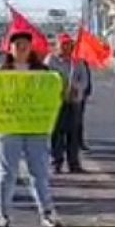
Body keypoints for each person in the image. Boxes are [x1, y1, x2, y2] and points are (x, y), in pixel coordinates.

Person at [0, 30, 60, 227]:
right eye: (17, 45)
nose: (22, 48)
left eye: (25, 44)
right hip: (8, 128)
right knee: (6, 173)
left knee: (39, 172)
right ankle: (3, 217)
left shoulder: (43, 73)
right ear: (10, 49)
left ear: (31, 48)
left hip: (36, 127)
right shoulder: (0, 73)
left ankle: (47, 213)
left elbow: (56, 92)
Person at [45, 34, 89, 173]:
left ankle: (74, 163)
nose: (66, 47)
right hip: (56, 102)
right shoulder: (50, 60)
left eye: (69, 44)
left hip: (74, 102)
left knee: (73, 133)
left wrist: (76, 88)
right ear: (57, 46)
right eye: (63, 44)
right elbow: (46, 79)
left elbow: (84, 80)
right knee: (56, 134)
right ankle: (56, 162)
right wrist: (60, 88)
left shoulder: (78, 61)